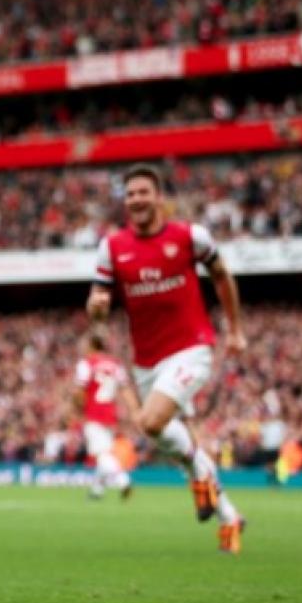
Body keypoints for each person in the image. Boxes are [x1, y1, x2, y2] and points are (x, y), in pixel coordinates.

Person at [87, 163, 246, 553]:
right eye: (130, 194)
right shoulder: (112, 247)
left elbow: (222, 275)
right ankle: (229, 516)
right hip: (146, 359)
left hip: (192, 347)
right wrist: (96, 307)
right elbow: (98, 305)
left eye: (143, 192)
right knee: (165, 435)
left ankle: (202, 483)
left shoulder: (191, 237)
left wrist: (236, 329)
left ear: (159, 197)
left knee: (151, 420)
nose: (136, 199)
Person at [71, 328, 138, 500]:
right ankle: (97, 491)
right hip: (110, 413)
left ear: (92, 344)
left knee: (102, 455)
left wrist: (77, 409)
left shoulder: (87, 364)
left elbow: (79, 392)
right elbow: (125, 390)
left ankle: (124, 481)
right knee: (105, 452)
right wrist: (135, 411)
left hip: (93, 413)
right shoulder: (116, 364)